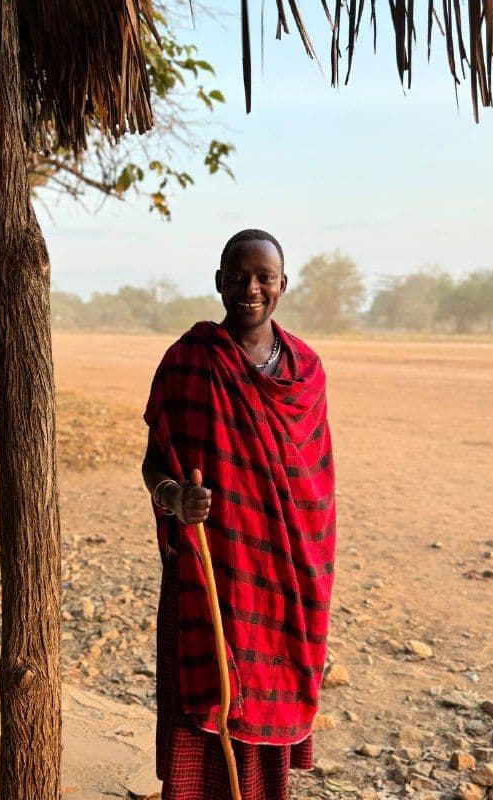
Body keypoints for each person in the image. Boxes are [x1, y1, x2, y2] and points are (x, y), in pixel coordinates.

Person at [142, 229, 336, 800]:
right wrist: (176, 498)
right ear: (219, 281)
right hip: (207, 571)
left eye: (264, 277)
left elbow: (315, 490)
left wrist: (305, 559)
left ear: (283, 284)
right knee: (202, 703)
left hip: (282, 578)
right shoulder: (187, 362)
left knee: (268, 698)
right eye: (238, 276)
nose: (251, 288)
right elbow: (154, 465)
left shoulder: (305, 372)